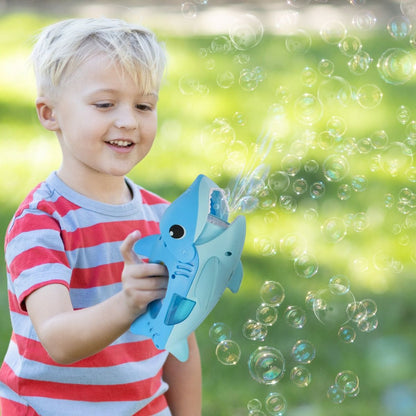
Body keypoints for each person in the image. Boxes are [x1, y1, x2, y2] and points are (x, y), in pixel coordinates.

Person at [0, 17, 202, 416]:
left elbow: (179, 341)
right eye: (105, 104)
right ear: (49, 113)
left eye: (144, 105)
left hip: (144, 407)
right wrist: (127, 302)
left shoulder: (166, 218)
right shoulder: (41, 223)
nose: (128, 120)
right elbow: (58, 340)